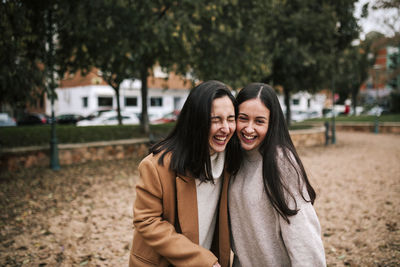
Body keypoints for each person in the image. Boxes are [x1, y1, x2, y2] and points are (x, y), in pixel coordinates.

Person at [129, 80, 241, 267]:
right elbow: (146, 220)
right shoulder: (156, 166)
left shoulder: (231, 160)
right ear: (196, 121)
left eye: (231, 119)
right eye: (215, 120)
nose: (226, 128)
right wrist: (204, 262)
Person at [229, 83, 326, 267]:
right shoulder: (234, 160)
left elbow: (303, 237)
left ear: (271, 123)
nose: (249, 129)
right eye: (243, 118)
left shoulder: (281, 162)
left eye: (259, 121)